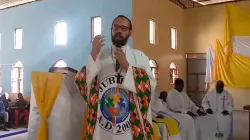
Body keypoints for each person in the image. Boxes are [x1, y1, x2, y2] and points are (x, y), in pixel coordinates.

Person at [75, 15, 156, 140]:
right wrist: (93, 53)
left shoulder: (139, 57)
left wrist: (126, 65)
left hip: (131, 128)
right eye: (116, 27)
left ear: (130, 33)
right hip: (103, 127)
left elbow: (149, 87)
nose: (118, 31)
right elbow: (83, 83)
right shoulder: (100, 55)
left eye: (123, 28)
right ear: (111, 29)